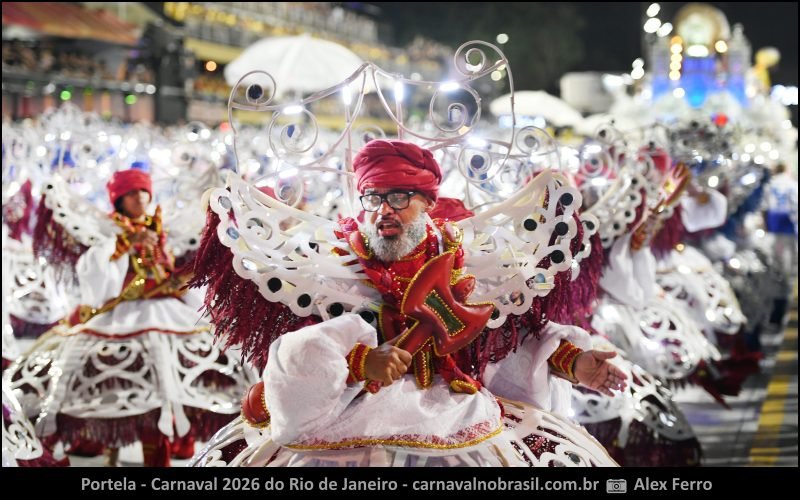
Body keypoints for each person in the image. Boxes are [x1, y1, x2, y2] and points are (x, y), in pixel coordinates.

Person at [192, 140, 625, 467]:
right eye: (375, 198)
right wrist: (362, 363)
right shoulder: (332, 267)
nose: (385, 210)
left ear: (428, 204)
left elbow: (511, 338)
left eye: (399, 197)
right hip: (347, 415)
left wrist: (572, 361)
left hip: (454, 412)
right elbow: (296, 354)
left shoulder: (467, 265)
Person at [5, 169, 257, 466]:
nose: (139, 198)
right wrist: (123, 244)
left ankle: (170, 442)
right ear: (120, 200)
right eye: (132, 194)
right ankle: (114, 439)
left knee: (182, 369)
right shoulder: (110, 232)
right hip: (125, 312)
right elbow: (96, 271)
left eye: (143, 192)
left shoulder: (159, 226)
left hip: (166, 307)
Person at [763, 163, 798, 280]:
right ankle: (790, 276)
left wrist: (765, 223)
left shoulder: (771, 183)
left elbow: (765, 205)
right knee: (790, 249)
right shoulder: (792, 184)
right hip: (788, 219)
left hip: (774, 218)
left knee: (777, 247)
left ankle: (777, 273)